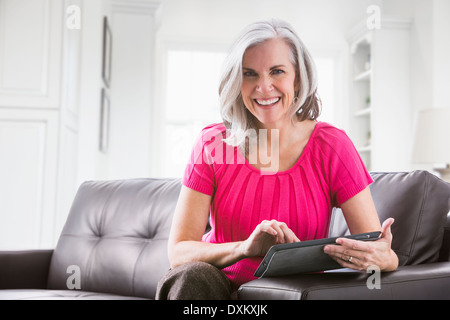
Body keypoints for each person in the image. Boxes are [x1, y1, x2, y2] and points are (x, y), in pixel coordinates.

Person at [156, 19, 398, 300]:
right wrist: (245, 248)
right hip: (215, 289)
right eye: (249, 74)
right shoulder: (213, 144)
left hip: (292, 292)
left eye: (277, 71)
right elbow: (179, 251)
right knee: (191, 276)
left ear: (298, 78)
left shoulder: (332, 146)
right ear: (237, 81)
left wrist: (386, 259)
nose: (263, 86)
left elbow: (375, 248)